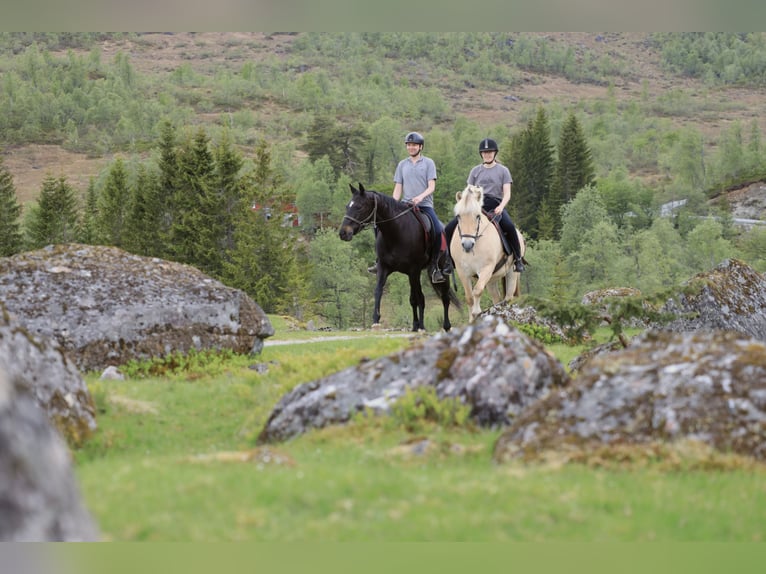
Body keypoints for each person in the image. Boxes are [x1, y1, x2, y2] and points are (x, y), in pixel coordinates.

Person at [367, 131, 452, 283]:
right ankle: (380, 260)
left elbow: (432, 186)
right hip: (405, 205)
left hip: (424, 205)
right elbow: (398, 187)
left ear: (420, 147)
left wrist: (420, 197)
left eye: (414, 145)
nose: (411, 147)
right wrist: (391, 205)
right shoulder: (402, 164)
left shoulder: (428, 163)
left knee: (438, 230)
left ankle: (435, 266)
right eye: (409, 145)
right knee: (378, 225)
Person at [445, 138, 525, 272]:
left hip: (496, 205)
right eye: (485, 152)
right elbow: (468, 192)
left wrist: (501, 207)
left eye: (490, 152)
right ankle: (448, 261)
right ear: (481, 154)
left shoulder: (503, 171)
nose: (487, 154)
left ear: (495, 153)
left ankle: (518, 259)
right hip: (477, 206)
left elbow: (507, 193)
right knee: (448, 229)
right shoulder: (475, 171)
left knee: (510, 227)